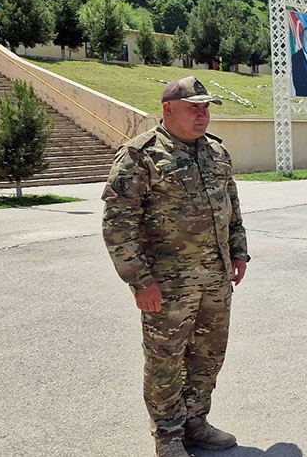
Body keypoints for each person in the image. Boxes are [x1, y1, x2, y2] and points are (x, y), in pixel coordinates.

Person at [102, 76, 249, 457]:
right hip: (166, 286)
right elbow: (118, 224)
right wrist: (140, 281)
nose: (203, 116)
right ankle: (167, 435)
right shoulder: (140, 156)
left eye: (206, 108)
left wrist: (239, 252)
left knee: (208, 355)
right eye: (193, 108)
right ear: (168, 109)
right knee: (165, 361)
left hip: (215, 279)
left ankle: (196, 422)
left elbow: (231, 207)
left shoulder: (216, 152)